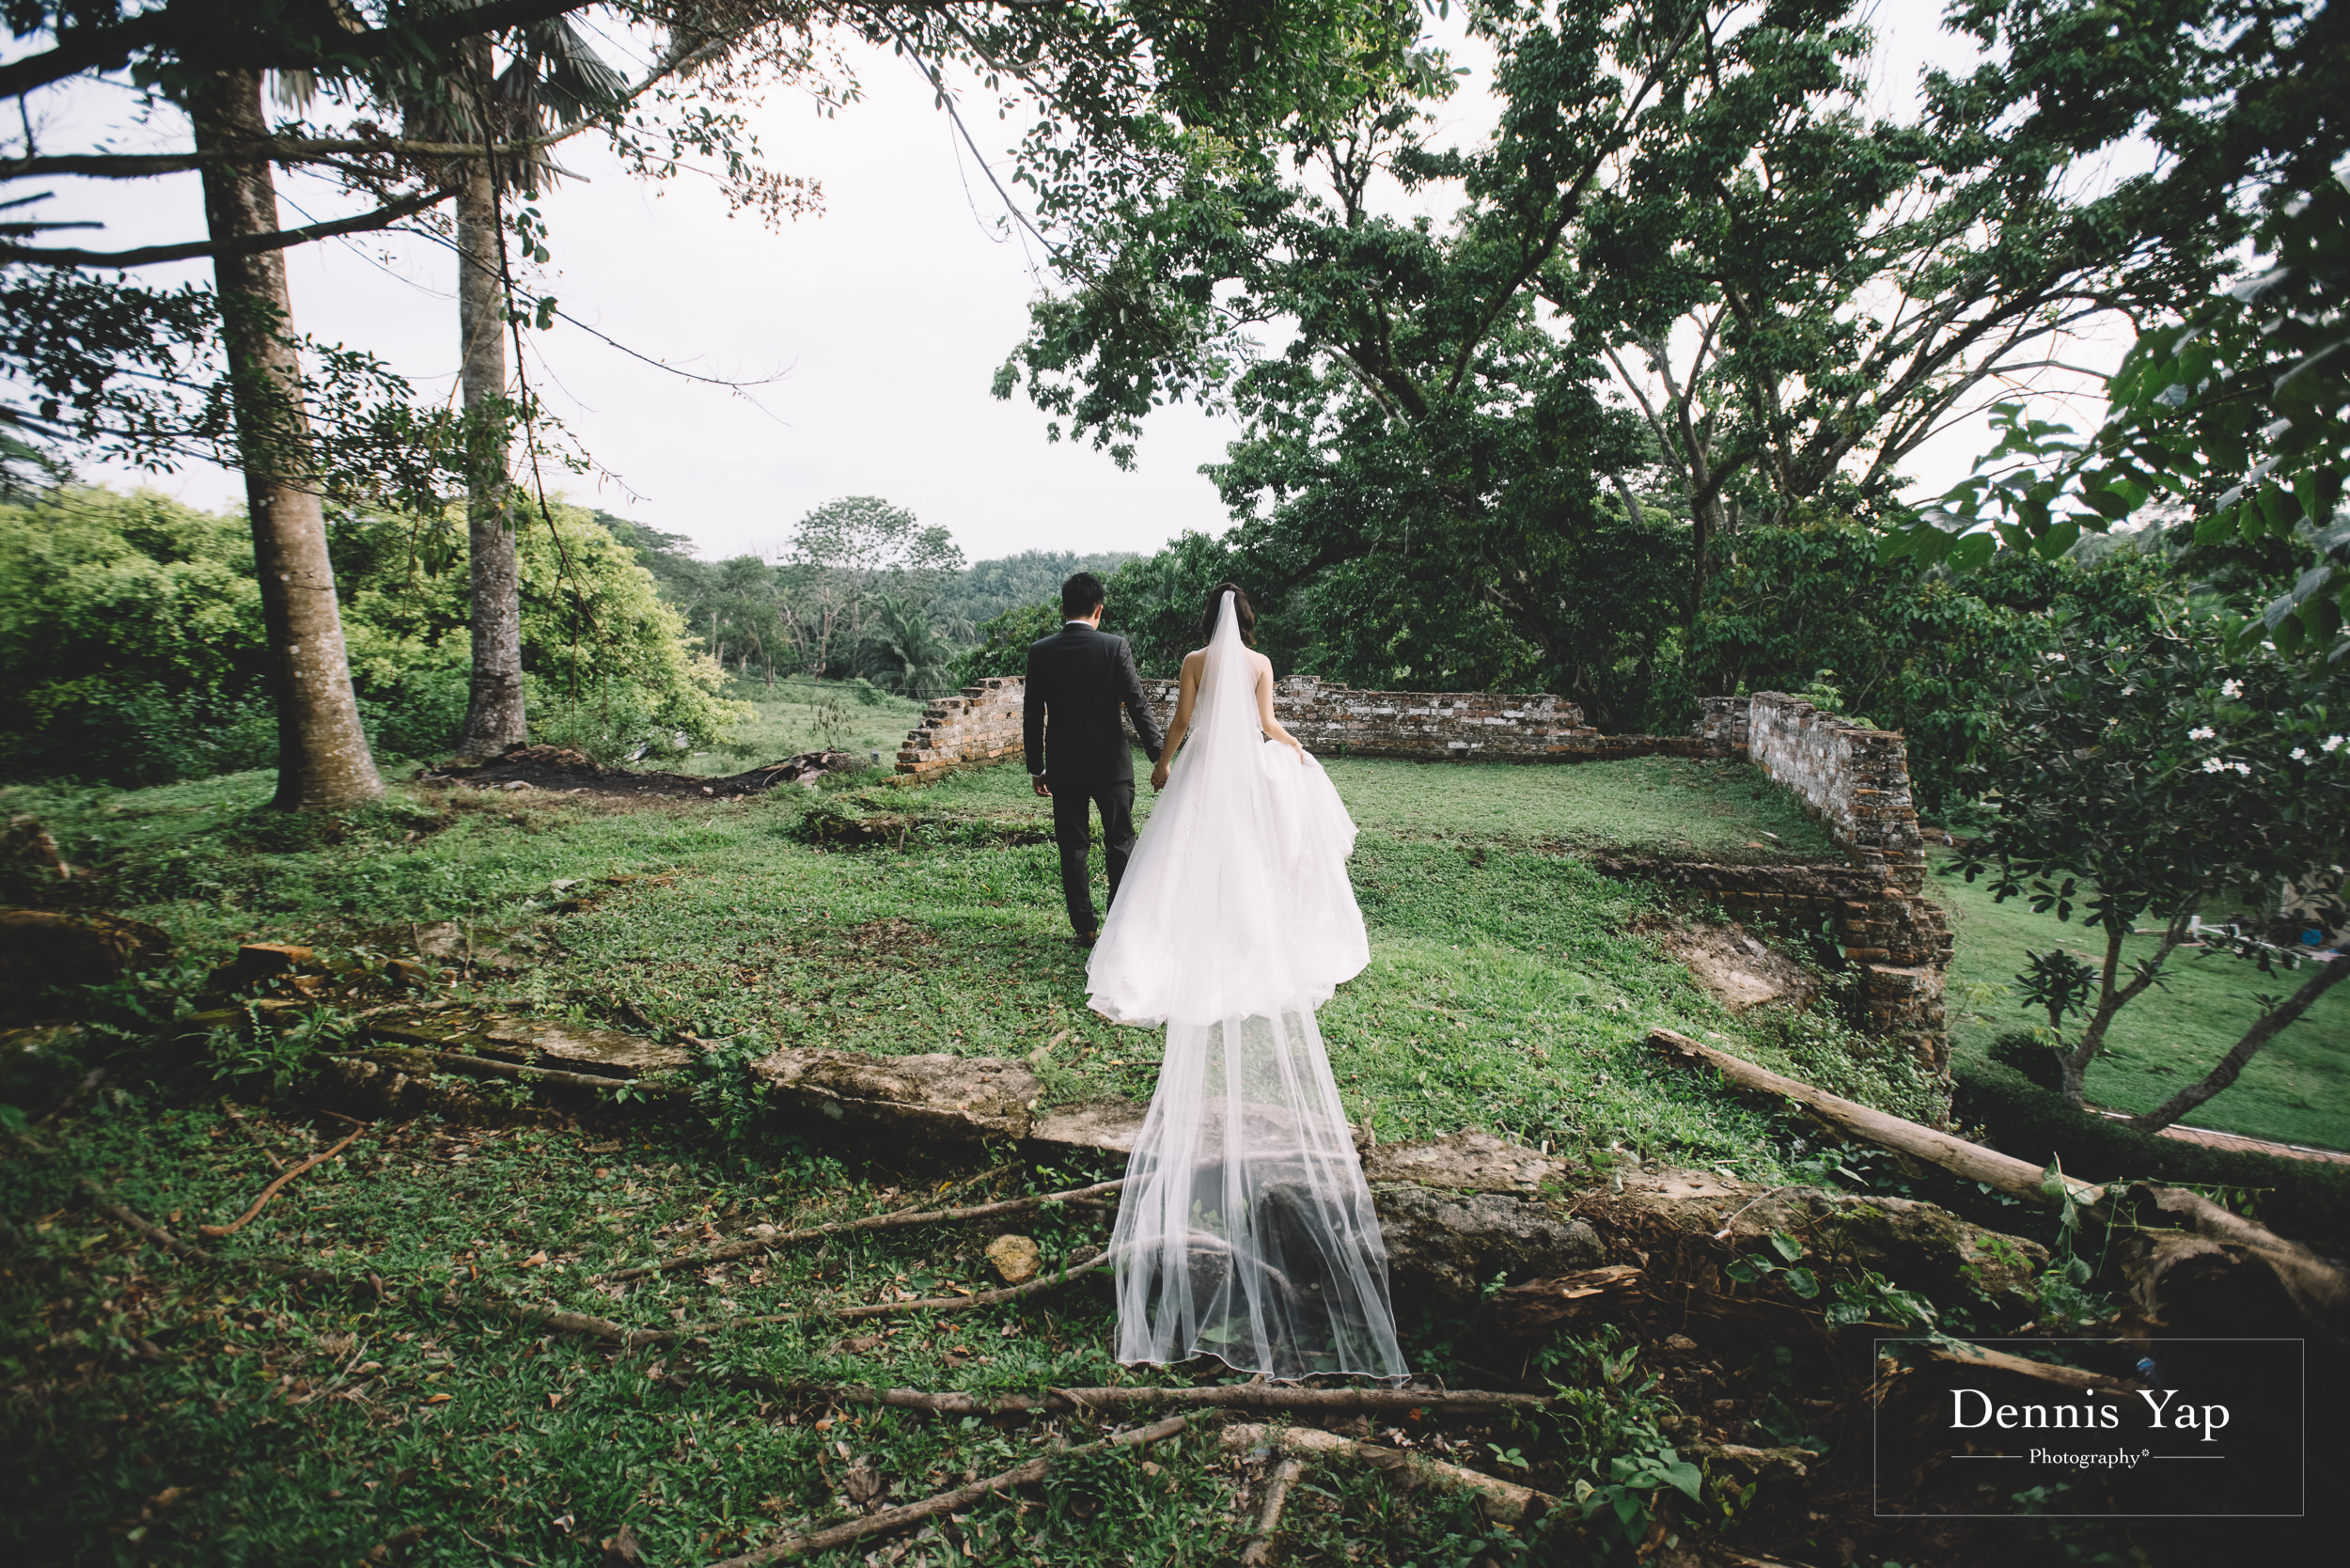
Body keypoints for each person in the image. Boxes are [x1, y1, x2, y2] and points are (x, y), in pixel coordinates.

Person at [1085, 583, 1408, 1381]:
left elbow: (1188, 725)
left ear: (1208, 621)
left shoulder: (1196, 660)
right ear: (1251, 620)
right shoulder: (1260, 662)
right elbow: (1264, 727)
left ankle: (1190, 937)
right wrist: (1294, 747)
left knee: (1181, 865)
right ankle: (1242, 935)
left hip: (1201, 781)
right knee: (1248, 868)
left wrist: (1163, 765)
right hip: (1237, 782)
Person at [1024, 571, 1165, 945]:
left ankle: (1085, 926)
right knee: (1119, 841)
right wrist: (1160, 757)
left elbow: (1032, 713)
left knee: (1073, 846)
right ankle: (1118, 924)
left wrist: (1036, 767)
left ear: (1062, 609)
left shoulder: (1041, 651)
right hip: (1112, 767)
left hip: (1064, 768)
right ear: (1098, 610)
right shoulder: (1114, 647)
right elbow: (1138, 705)